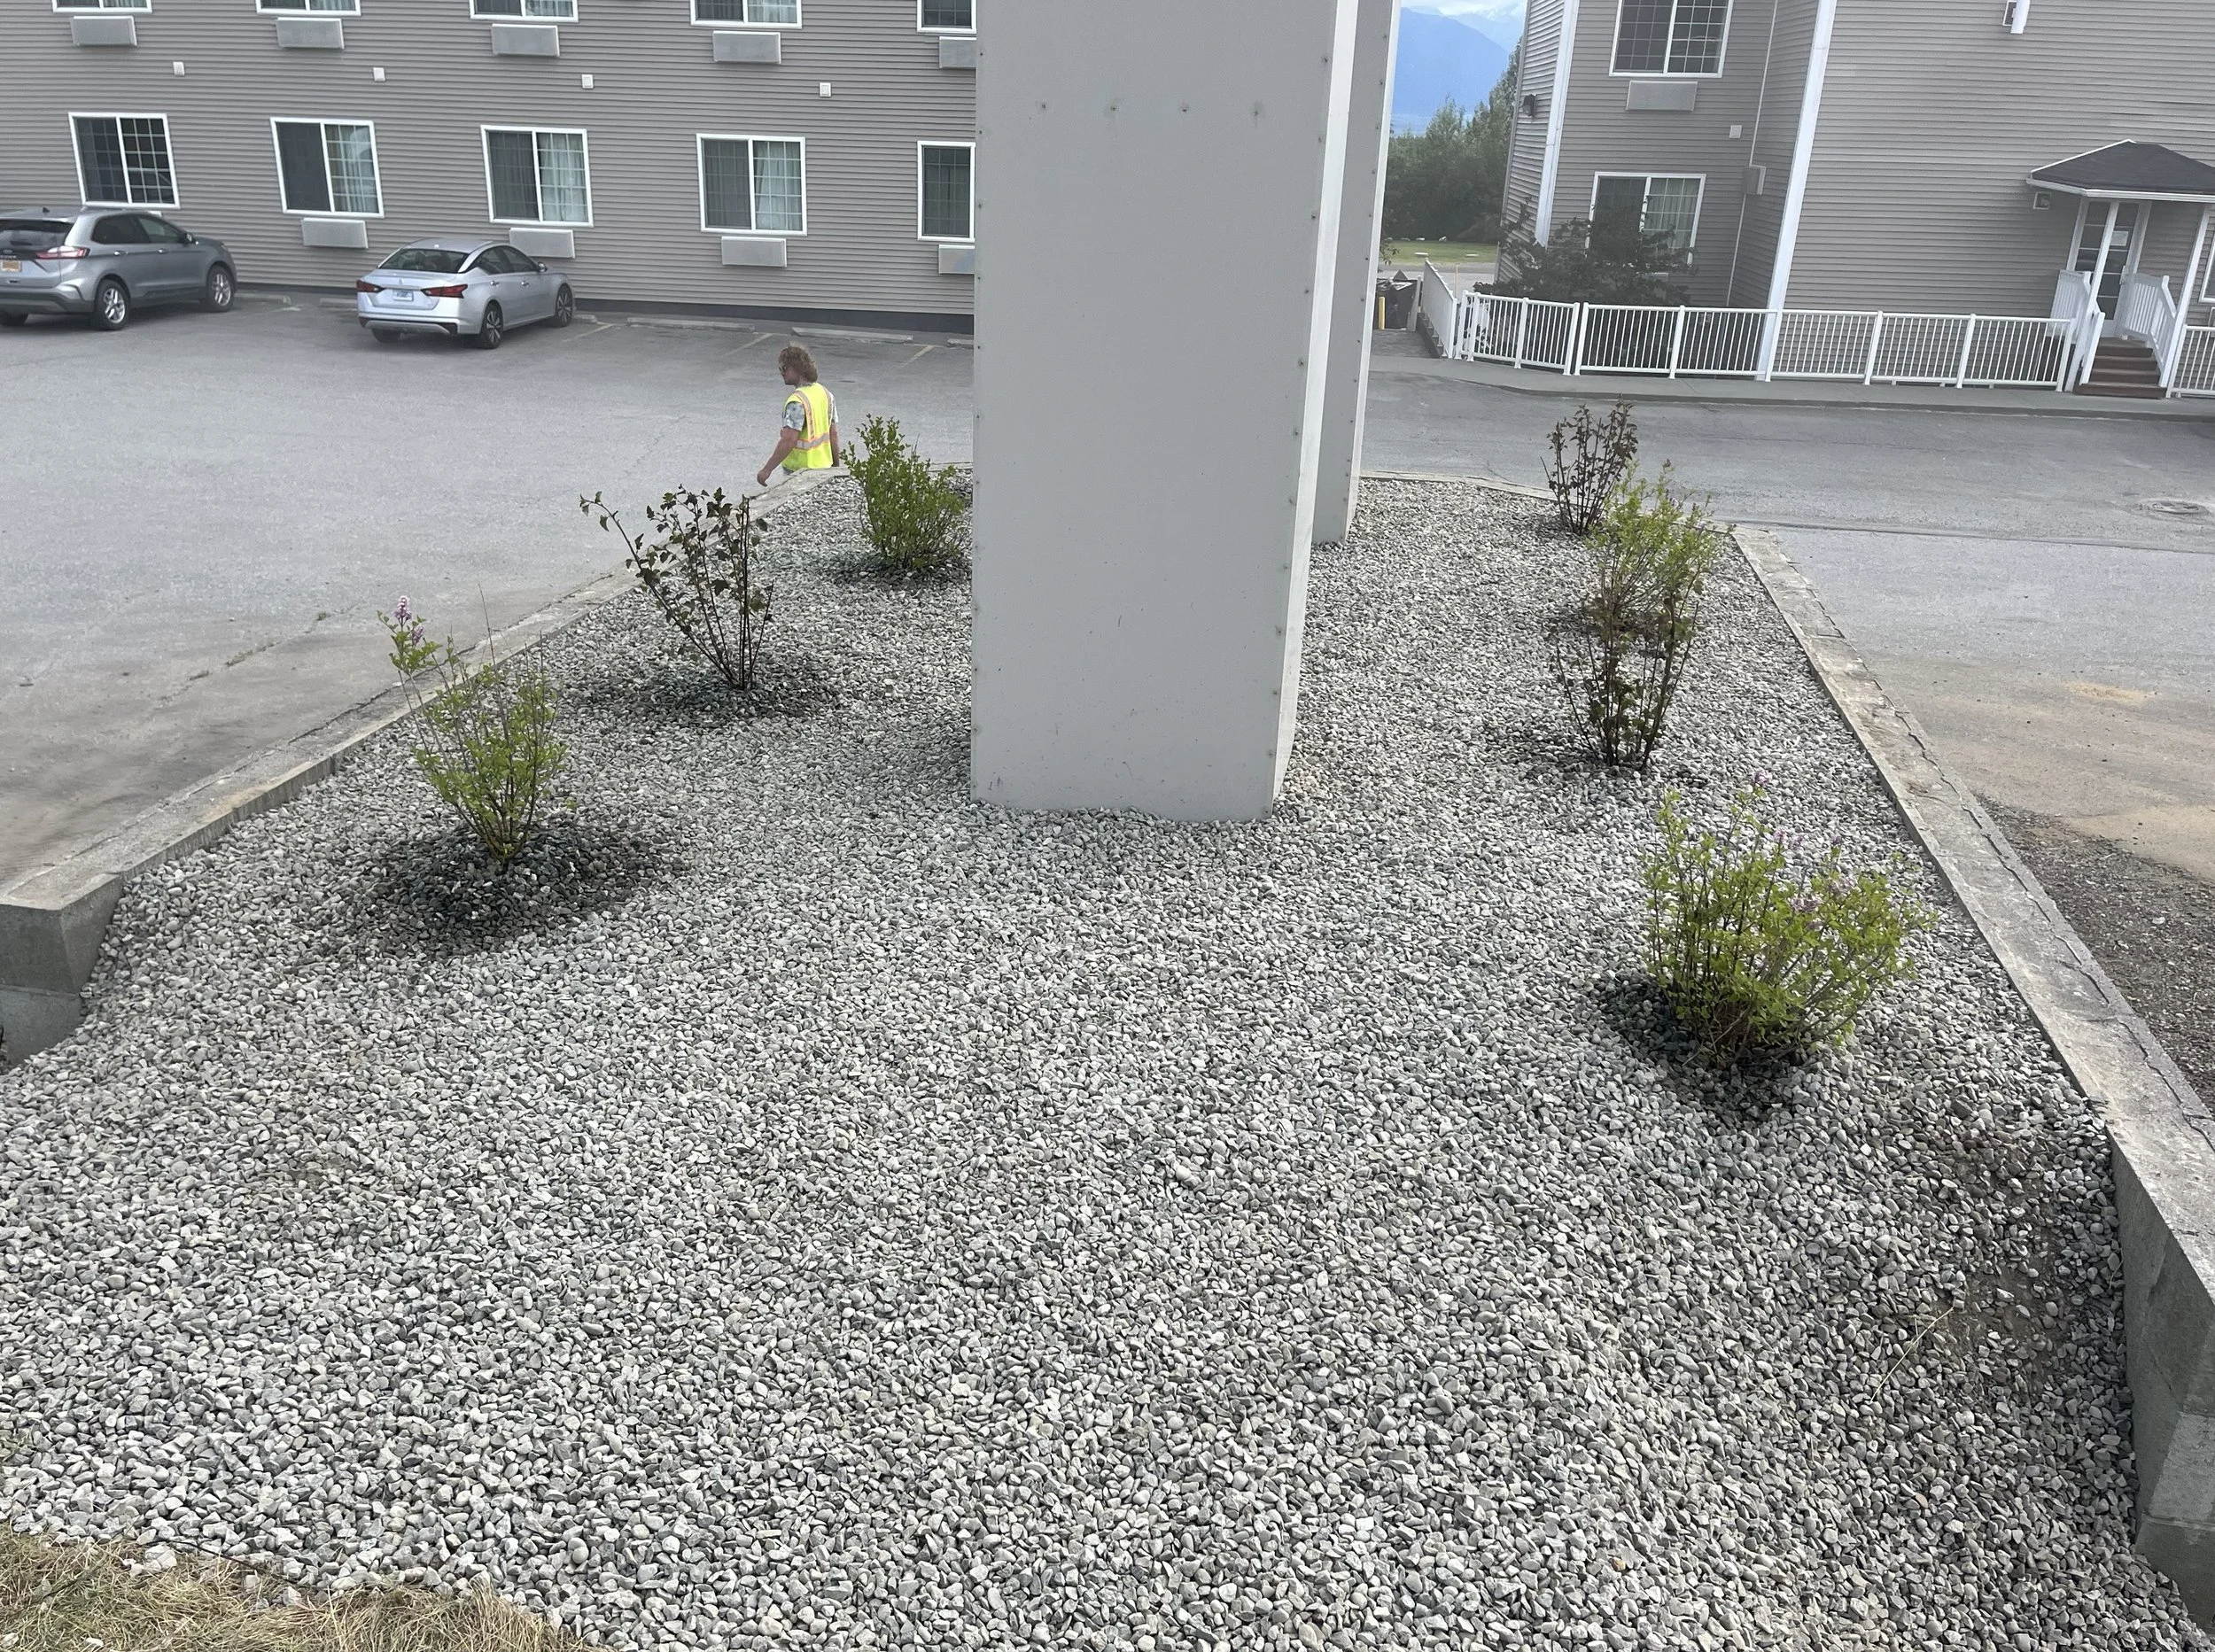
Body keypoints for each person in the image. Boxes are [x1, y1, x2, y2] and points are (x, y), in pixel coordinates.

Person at [756, 344, 840, 487]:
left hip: (799, 472)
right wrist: (836, 467)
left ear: (798, 369)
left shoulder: (797, 402)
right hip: (823, 468)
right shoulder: (825, 394)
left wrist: (766, 470)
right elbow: (833, 434)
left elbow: (789, 440)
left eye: (785, 368)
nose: (782, 373)